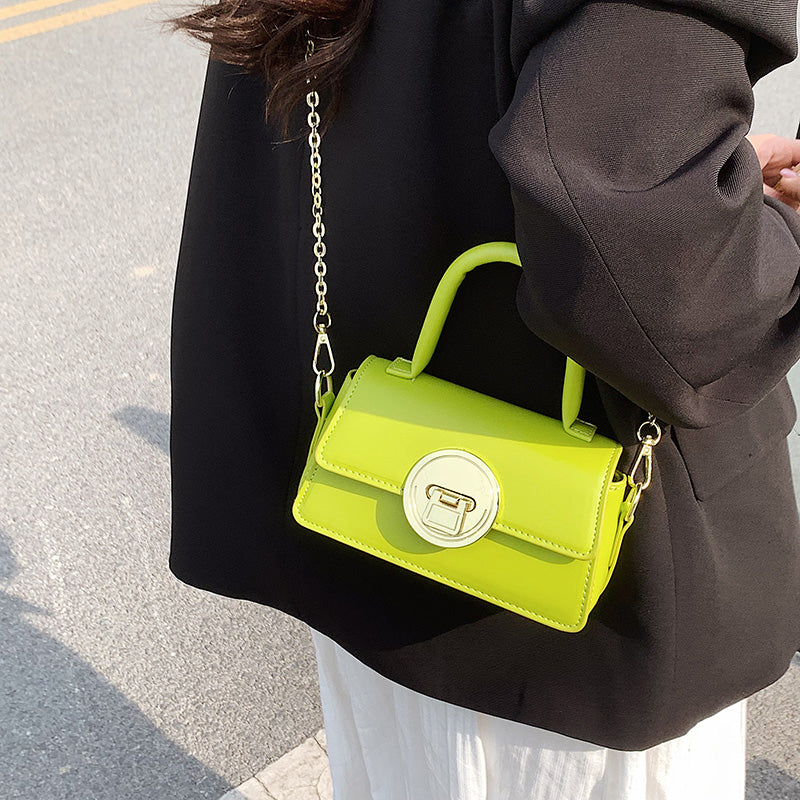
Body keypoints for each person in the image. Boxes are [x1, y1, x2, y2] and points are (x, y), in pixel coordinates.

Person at [164, 1, 800, 797]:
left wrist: (698, 173)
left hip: (372, 514)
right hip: (589, 616)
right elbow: (668, 281)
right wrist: (766, 231)